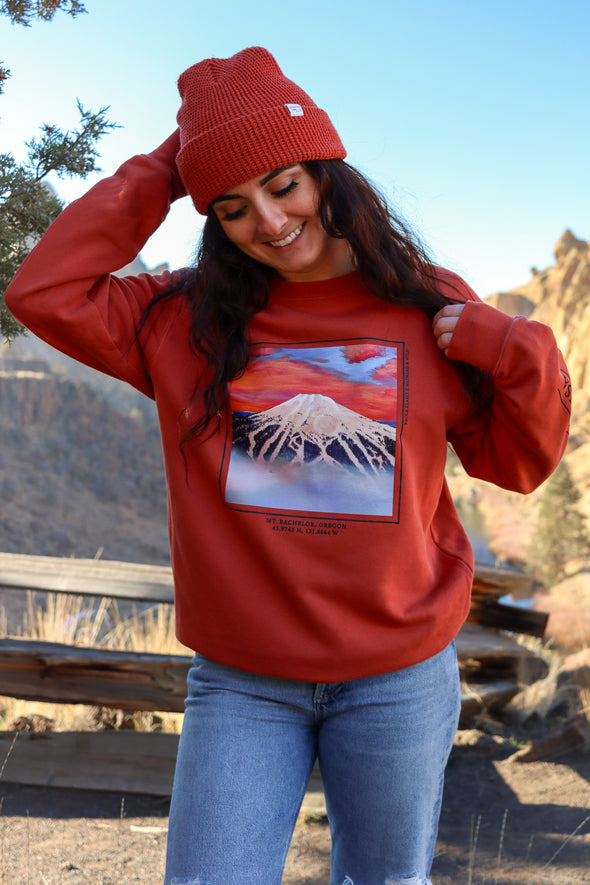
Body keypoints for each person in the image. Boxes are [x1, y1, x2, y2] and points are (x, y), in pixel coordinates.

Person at [5, 47, 571, 885]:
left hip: (398, 677)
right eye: (232, 207)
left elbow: (518, 464)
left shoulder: (425, 300)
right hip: (243, 682)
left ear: (326, 172)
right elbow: (42, 290)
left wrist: (520, 350)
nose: (268, 222)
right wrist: (172, 164)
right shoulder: (182, 317)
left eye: (283, 185)